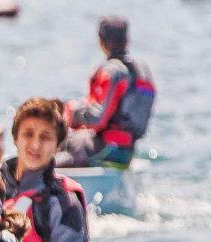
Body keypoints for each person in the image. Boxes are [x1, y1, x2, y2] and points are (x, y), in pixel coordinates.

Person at [1, 97, 90, 242]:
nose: (36, 145)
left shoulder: (65, 204)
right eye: (28, 134)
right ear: (15, 138)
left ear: (59, 145)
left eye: (46, 137)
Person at [57, 16, 156, 168]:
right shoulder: (143, 71)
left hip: (106, 149)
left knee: (55, 141)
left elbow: (97, 119)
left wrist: (73, 112)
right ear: (127, 40)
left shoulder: (112, 71)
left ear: (102, 42)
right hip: (127, 151)